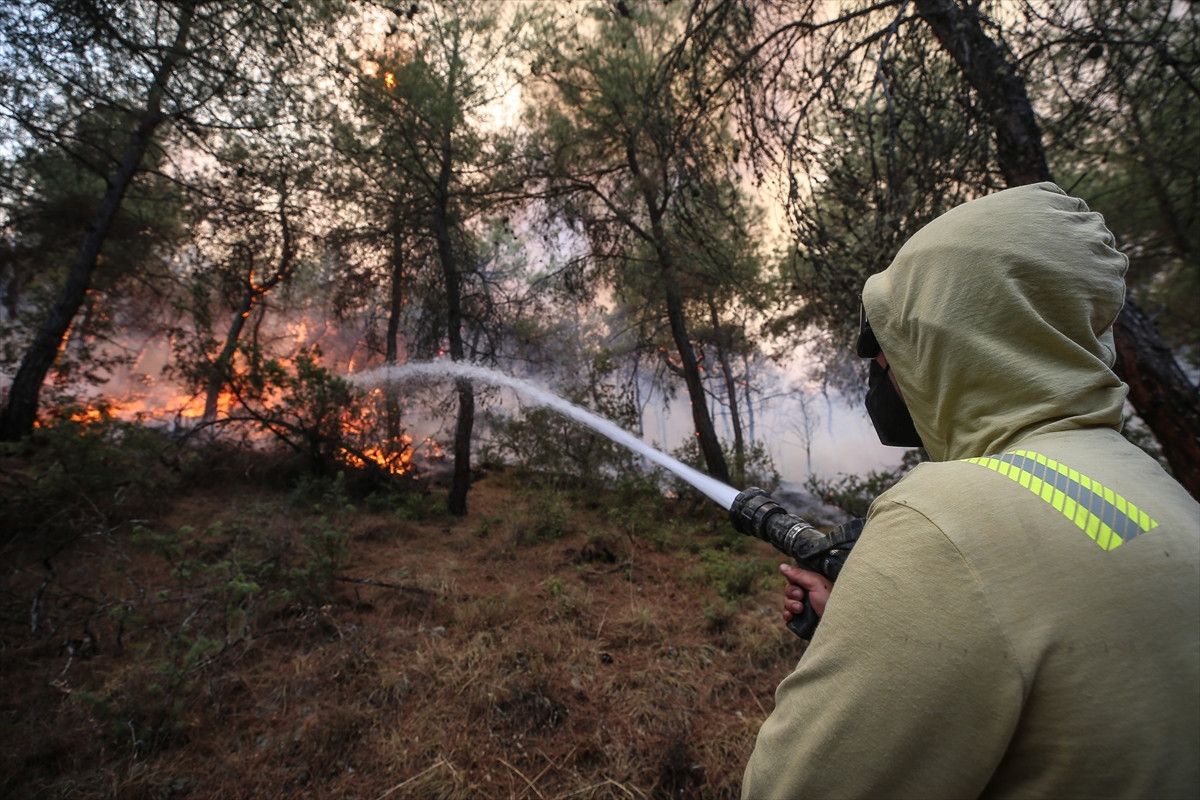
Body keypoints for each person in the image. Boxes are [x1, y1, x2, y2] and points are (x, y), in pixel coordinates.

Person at [741, 182, 1200, 799]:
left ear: (953, 343)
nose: (883, 378)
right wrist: (881, 627)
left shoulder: (941, 522)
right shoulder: (1155, 486)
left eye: (891, 352)